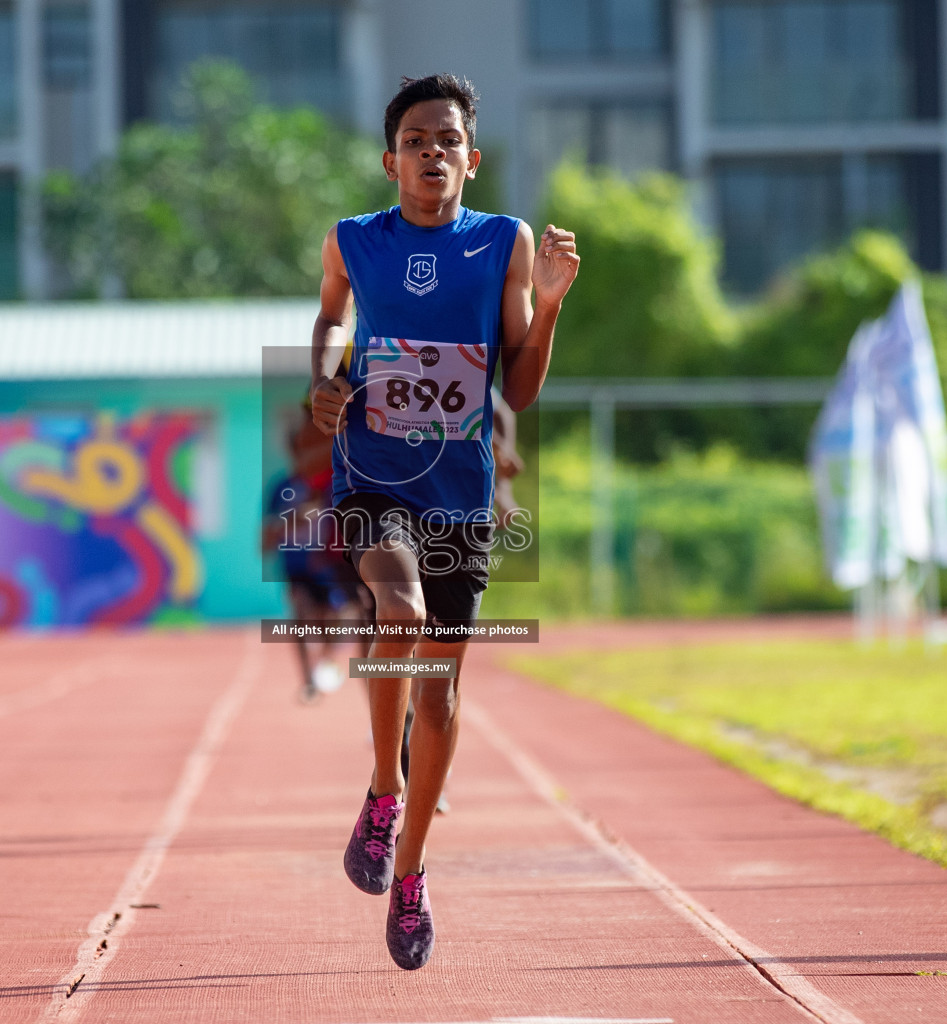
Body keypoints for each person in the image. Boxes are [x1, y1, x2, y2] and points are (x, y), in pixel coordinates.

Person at [309, 73, 578, 970]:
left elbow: (520, 385)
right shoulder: (354, 241)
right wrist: (322, 377)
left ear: (470, 157)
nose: (435, 152)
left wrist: (551, 303)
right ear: (392, 160)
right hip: (376, 478)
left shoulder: (505, 241)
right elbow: (327, 322)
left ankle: (413, 871)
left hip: (461, 492)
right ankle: (383, 788)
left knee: (442, 691)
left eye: (450, 139)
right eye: (418, 139)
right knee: (405, 619)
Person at [262, 403, 371, 702]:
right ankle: (308, 680)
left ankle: (325, 658)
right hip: (297, 564)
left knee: (336, 618)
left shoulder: (330, 478)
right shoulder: (280, 487)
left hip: (327, 561)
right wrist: (289, 523)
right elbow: (266, 533)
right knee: (300, 611)